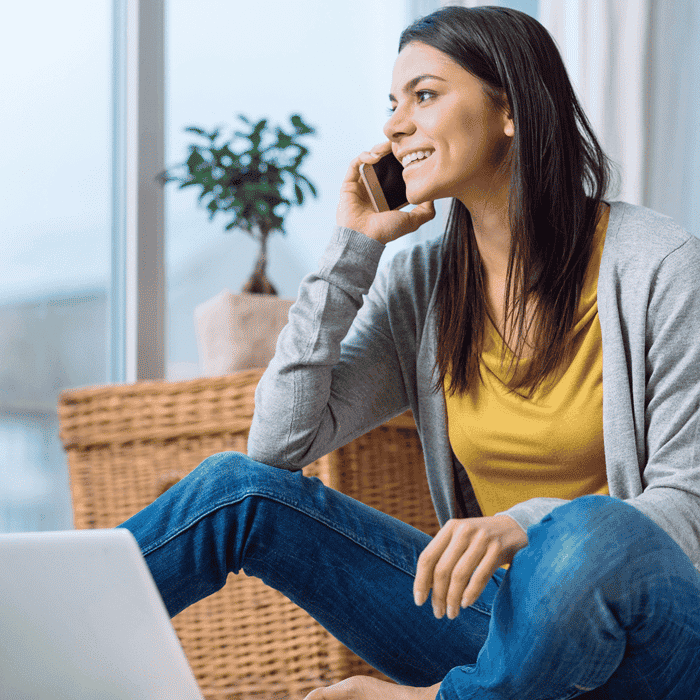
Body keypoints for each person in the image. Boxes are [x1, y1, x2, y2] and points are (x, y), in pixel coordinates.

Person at [120, 6, 700, 699]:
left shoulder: (657, 265)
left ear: (509, 110)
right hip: (500, 634)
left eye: (423, 95)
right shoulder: (424, 284)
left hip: (651, 640)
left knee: (585, 534)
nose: (395, 125)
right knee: (234, 489)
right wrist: (352, 249)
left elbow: (686, 506)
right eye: (392, 104)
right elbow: (276, 445)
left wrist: (524, 526)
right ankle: (38, 636)